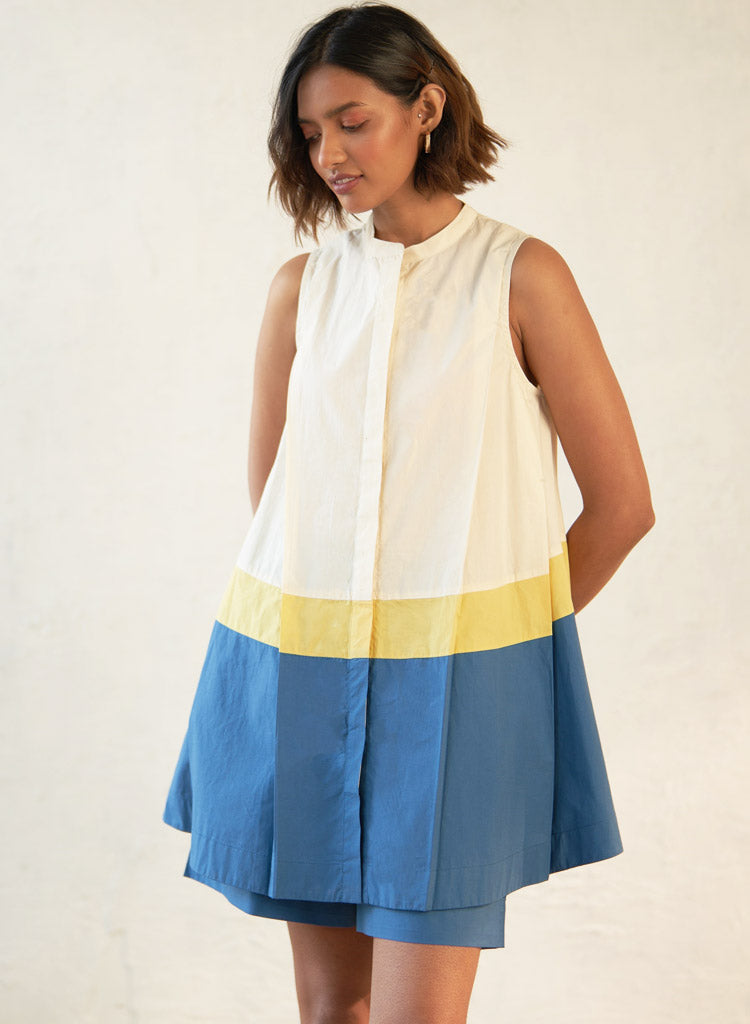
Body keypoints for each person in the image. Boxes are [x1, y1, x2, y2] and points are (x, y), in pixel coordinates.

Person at [162, 3, 655, 1021]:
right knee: (330, 1012)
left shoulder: (522, 276)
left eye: (353, 121)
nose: (330, 155)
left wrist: (503, 652)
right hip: (297, 676)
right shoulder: (301, 289)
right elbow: (279, 504)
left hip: (457, 699)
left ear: (426, 108)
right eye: (311, 133)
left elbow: (623, 506)